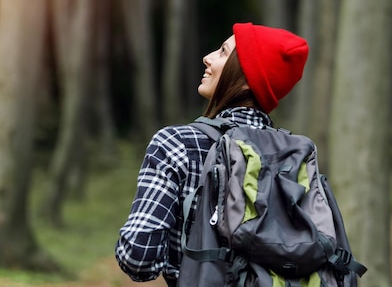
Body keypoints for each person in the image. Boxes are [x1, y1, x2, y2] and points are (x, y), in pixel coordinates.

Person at [114, 22, 309, 287]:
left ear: (244, 80)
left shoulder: (176, 143)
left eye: (222, 52)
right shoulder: (293, 155)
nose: (207, 57)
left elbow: (139, 259)